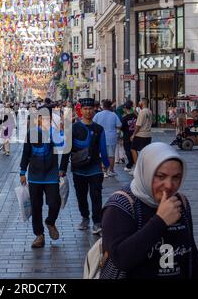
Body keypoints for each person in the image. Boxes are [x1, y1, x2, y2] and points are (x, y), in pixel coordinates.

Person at [100, 142, 198, 279]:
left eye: (176, 177)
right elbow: (120, 259)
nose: (169, 185)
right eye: (161, 176)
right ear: (146, 172)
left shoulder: (180, 202)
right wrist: (160, 221)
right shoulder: (121, 205)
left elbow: (191, 255)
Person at [60, 98, 110, 234]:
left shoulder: (99, 129)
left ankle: (97, 222)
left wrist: (107, 165)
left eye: (90, 109)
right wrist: (62, 169)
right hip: (78, 169)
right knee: (81, 196)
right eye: (85, 109)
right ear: (80, 110)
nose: (88, 111)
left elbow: (103, 149)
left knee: (96, 196)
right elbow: (66, 149)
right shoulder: (73, 128)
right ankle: (85, 217)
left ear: (94, 110)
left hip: (95, 169)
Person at [19, 108, 66, 248]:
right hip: (34, 176)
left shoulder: (55, 133)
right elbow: (25, 153)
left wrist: (62, 130)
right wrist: (22, 172)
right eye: (42, 118)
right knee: (36, 206)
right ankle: (39, 235)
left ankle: (50, 222)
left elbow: (63, 146)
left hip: (51, 175)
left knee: (54, 202)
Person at [93, 100, 122, 177]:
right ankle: (111, 171)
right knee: (111, 155)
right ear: (110, 106)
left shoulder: (98, 115)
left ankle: (103, 171)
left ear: (103, 106)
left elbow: (93, 124)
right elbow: (119, 125)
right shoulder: (113, 115)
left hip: (100, 136)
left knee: (102, 154)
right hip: (111, 136)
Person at [130, 98, 153, 174]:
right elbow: (143, 118)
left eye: (140, 101)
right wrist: (136, 113)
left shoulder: (142, 112)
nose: (139, 102)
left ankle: (137, 168)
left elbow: (138, 125)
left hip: (141, 134)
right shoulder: (149, 111)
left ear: (143, 102)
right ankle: (145, 167)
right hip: (148, 134)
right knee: (145, 151)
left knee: (133, 149)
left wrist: (133, 135)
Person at [121, 100, 137, 172]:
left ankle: (130, 164)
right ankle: (134, 162)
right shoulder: (135, 115)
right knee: (134, 149)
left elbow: (122, 127)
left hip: (127, 135)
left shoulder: (124, 118)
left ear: (125, 108)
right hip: (135, 134)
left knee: (127, 150)